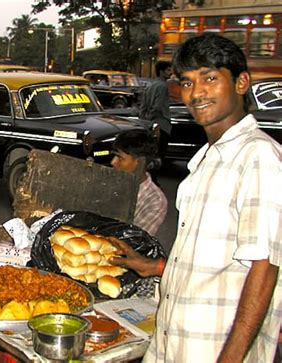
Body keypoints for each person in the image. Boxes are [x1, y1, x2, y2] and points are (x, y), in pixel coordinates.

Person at [111, 33, 281, 362]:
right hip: (174, 341)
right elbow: (219, 256)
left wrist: (230, 359)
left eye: (210, 78)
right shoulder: (207, 158)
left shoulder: (259, 157)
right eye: (187, 83)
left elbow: (264, 268)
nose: (197, 93)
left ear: (241, 82)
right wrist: (157, 266)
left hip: (214, 348)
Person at [111, 129, 167, 236]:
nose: (113, 162)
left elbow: (133, 241)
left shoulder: (155, 201)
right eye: (114, 155)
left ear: (140, 162)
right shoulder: (109, 182)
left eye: (120, 158)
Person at [139, 60, 173, 161]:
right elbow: (158, 107)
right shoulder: (163, 86)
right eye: (168, 70)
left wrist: (145, 121)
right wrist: (151, 117)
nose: (170, 72)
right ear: (161, 71)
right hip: (161, 124)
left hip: (149, 125)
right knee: (159, 156)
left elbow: (143, 106)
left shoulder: (150, 86)